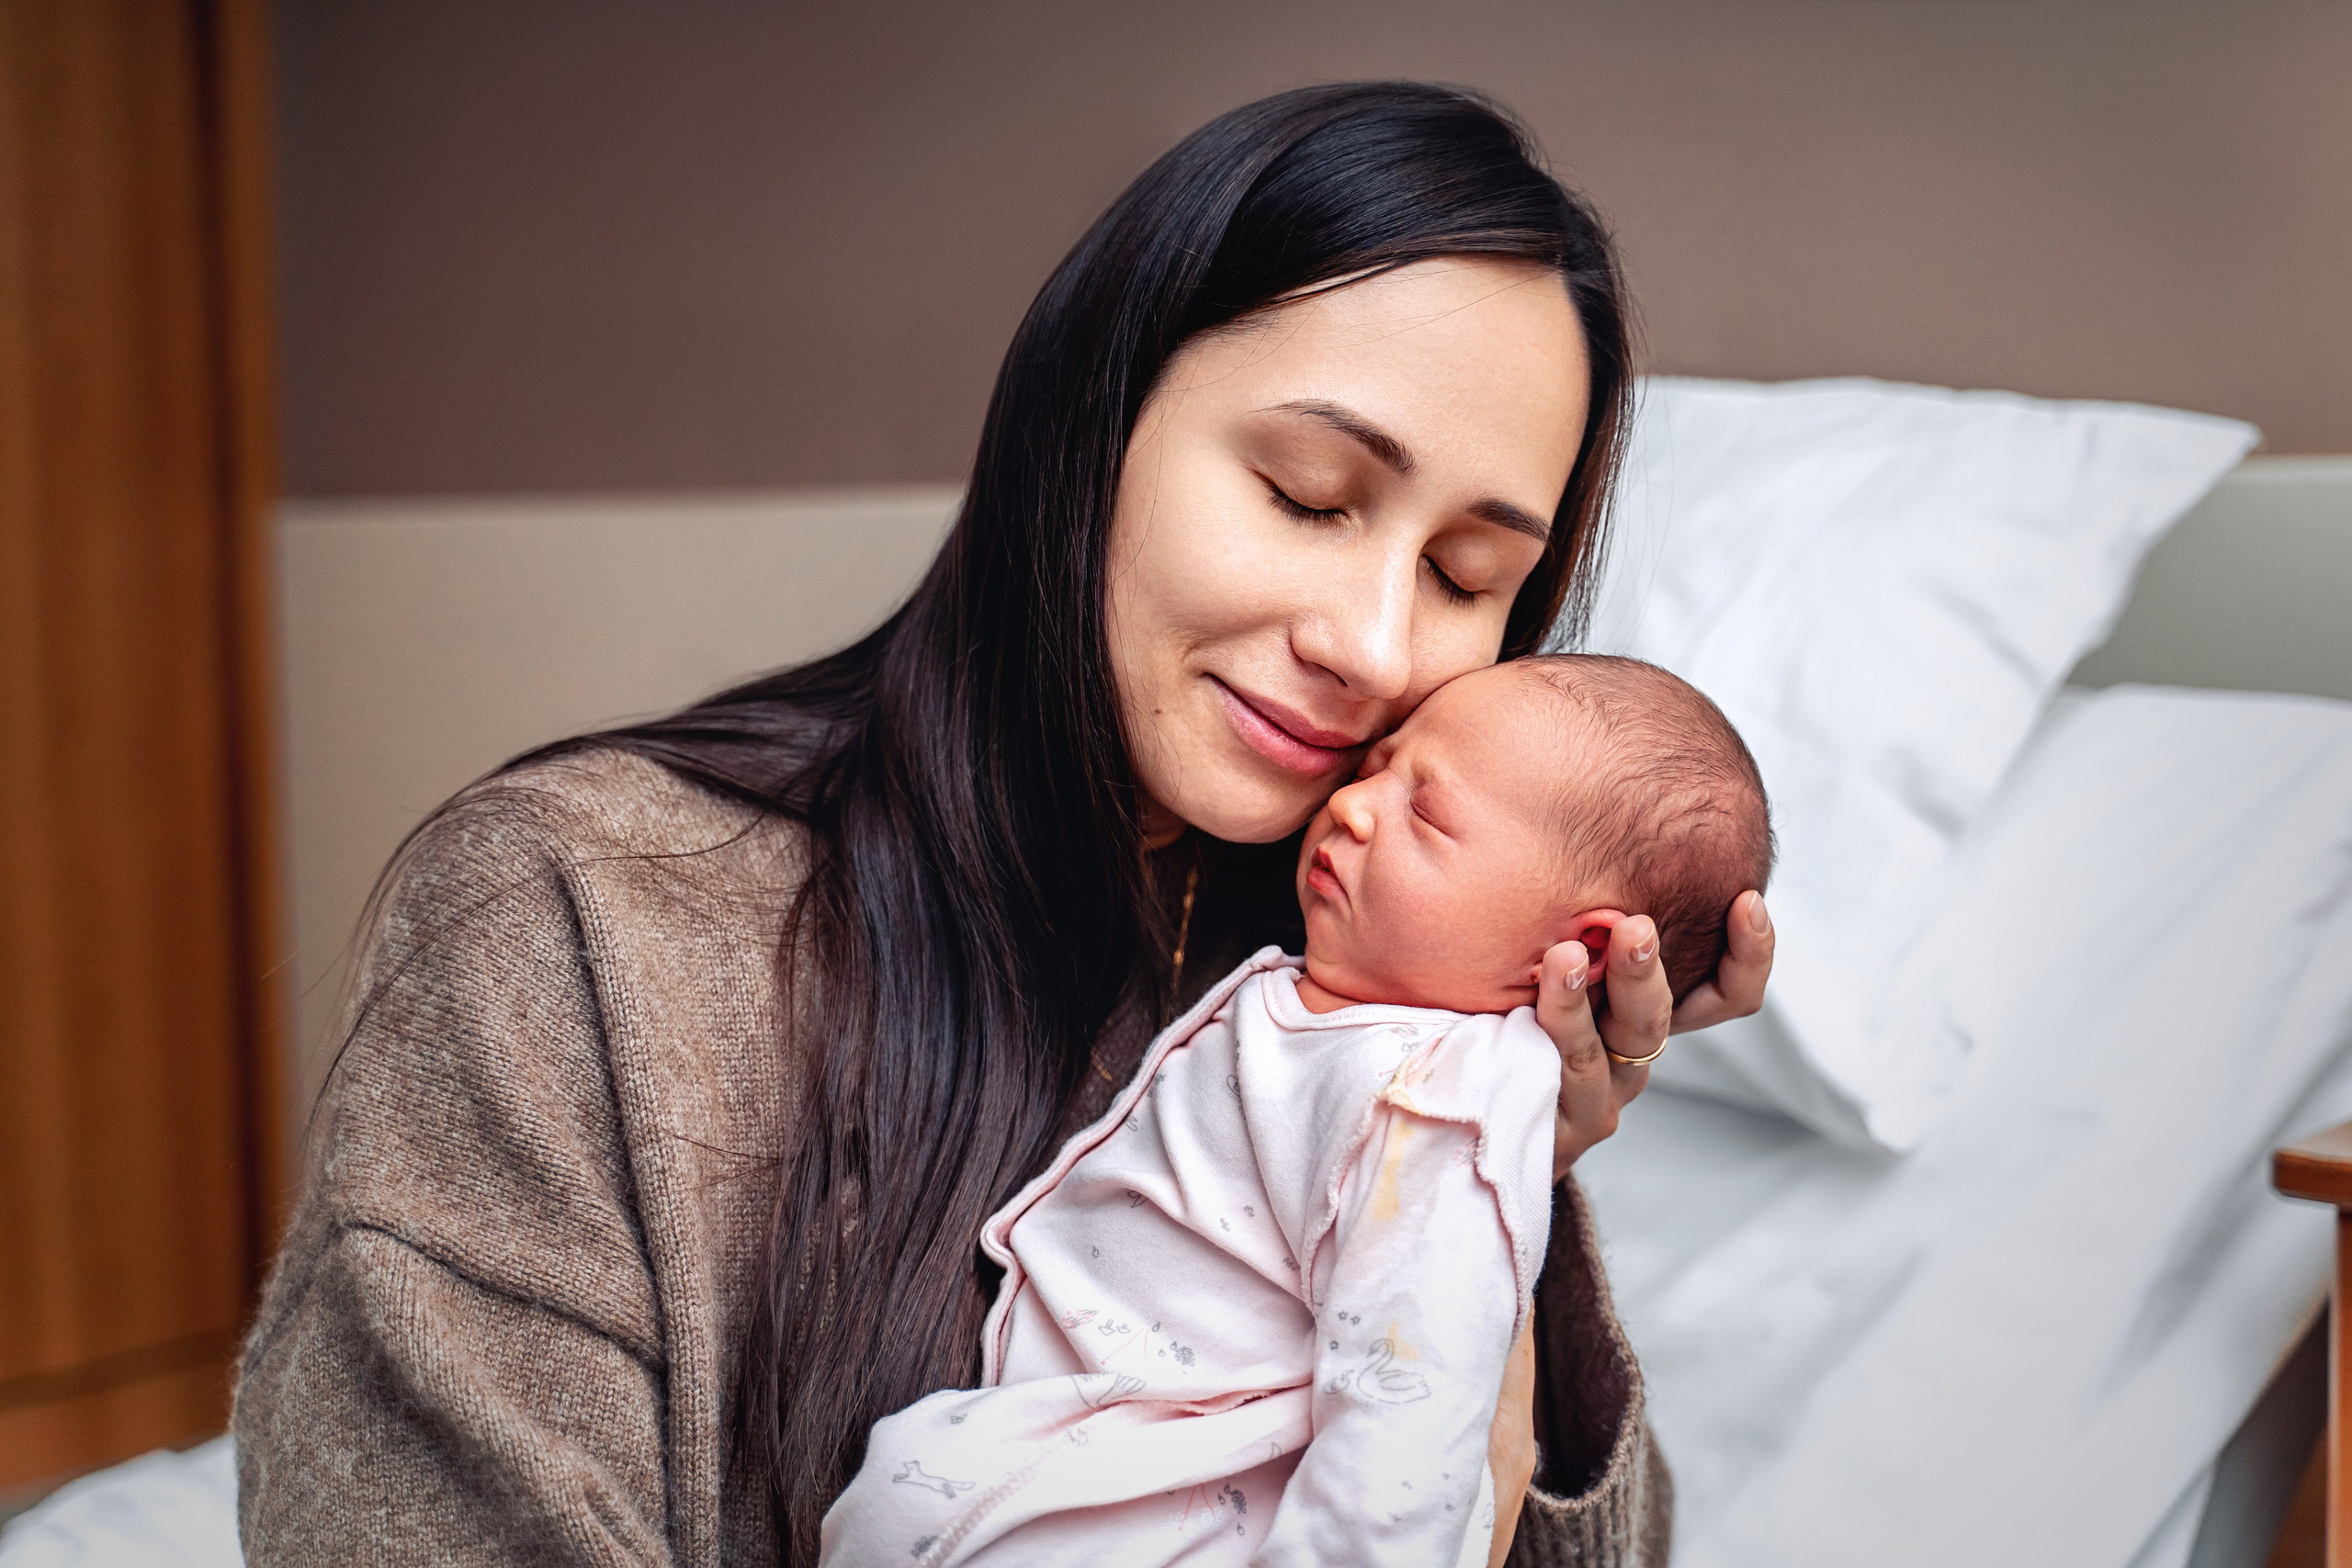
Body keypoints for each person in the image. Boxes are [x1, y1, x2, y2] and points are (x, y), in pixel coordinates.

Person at [232, 83, 1774, 1568]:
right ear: (1089, 422)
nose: (1374, 646)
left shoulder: (1349, 1006)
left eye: (1462, 577)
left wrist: (1499, 1178)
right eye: (1309, 494)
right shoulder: (576, 917)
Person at [820, 656, 1771, 1567]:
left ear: (1583, 952)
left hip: (1186, 1512)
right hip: (1096, 1460)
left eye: (1424, 812)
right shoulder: (1353, 1020)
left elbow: (1401, 1440)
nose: (1351, 806)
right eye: (1375, 768)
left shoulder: (1439, 1106)